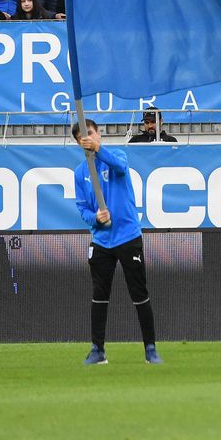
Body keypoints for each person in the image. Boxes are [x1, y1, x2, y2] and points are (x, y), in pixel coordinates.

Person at [73, 118, 163, 366]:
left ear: (98, 134)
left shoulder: (117, 157)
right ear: (78, 141)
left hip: (127, 236)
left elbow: (121, 167)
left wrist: (99, 150)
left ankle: (150, 349)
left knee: (139, 294)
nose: (88, 138)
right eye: (83, 136)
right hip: (102, 240)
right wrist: (96, 218)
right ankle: (97, 350)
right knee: (99, 296)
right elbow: (82, 208)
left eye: (91, 133)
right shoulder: (80, 173)